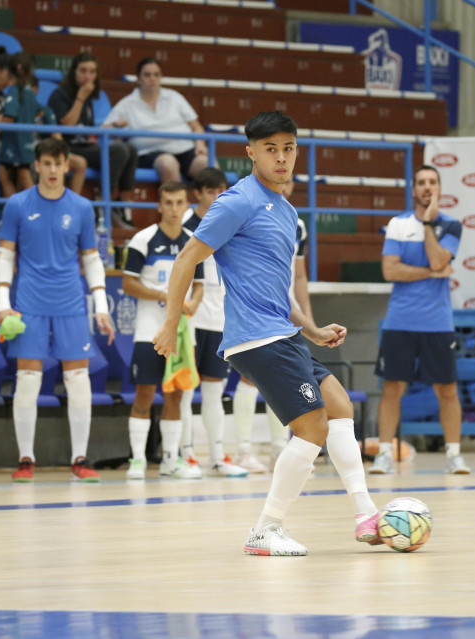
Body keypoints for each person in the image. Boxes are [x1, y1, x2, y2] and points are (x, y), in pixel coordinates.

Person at [153, 111, 381, 555]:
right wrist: (171, 322)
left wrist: (311, 331)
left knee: (338, 406)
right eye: (271, 149)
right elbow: (186, 261)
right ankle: (265, 529)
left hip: (282, 332)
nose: (281, 158)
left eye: (289, 148)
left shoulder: (287, 209)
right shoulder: (235, 202)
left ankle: (365, 513)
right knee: (312, 426)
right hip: (255, 337)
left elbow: (278, 289)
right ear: (251, 153)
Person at [0, 137, 115, 482]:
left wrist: (101, 306)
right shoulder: (17, 204)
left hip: (71, 303)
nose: (51, 170)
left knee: (78, 382)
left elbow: (91, 259)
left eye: (57, 163)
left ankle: (80, 458)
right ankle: (26, 460)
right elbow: (5, 256)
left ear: (66, 166)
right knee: (28, 381)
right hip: (29, 303)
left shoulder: (81, 207)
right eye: (45, 163)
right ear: (36, 165)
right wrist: (4, 305)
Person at [369, 164, 469, 475]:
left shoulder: (452, 226)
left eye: (432, 183)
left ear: (439, 189)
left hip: (438, 323)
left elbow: (442, 258)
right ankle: (385, 453)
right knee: (392, 388)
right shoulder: (397, 224)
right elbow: (390, 271)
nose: (427, 187)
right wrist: (431, 273)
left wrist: (427, 225)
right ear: (414, 190)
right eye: (422, 183)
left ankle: (453, 455)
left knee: (447, 390)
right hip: (400, 321)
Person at [123, 181, 204, 480]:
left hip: (184, 336)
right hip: (149, 331)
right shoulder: (142, 240)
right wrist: (164, 296)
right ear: (159, 206)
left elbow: (199, 286)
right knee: (144, 394)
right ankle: (138, 461)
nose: (173, 209)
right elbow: (128, 282)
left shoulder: (195, 241)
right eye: (168, 203)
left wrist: (193, 303)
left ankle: (171, 460)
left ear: (186, 206)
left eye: (179, 203)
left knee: (177, 396)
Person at [231, 179, 310, 473]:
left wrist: (308, 317)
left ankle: (281, 450)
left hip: (286, 310)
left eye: (290, 181)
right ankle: (243, 450)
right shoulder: (247, 209)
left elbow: (299, 276)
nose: (284, 184)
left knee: (286, 379)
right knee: (251, 379)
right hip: (254, 310)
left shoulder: (296, 222)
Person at [176, 168, 247, 478]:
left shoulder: (231, 222)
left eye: (221, 189)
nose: (216, 196)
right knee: (185, 389)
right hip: (191, 320)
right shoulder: (183, 226)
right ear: (198, 193)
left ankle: (218, 455)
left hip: (220, 318)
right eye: (209, 191)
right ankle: (186, 454)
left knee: (214, 391)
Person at [48, 52, 138, 226]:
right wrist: (80, 97)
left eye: (92, 72)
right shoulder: (60, 94)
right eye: (83, 70)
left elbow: (84, 129)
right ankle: (104, 199)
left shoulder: (89, 98)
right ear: (74, 71)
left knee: (131, 149)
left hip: (85, 145)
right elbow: (67, 125)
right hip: (68, 147)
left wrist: (108, 128)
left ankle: (122, 201)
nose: (87, 76)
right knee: (119, 151)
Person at [103, 57, 209, 185]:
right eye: (147, 75)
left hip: (184, 149)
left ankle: (216, 205)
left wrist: (200, 145)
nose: (152, 78)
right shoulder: (126, 104)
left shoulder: (175, 97)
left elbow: (196, 126)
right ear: (138, 79)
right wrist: (115, 125)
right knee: (168, 163)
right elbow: (103, 130)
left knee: (207, 164)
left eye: (156, 74)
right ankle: (177, 205)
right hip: (149, 153)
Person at [0, 52, 87, 197]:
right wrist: (55, 133)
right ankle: (23, 214)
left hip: (16, 145)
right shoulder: (28, 93)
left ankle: (27, 213)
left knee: (14, 176)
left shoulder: (16, 91)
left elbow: (9, 116)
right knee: (16, 176)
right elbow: (46, 112)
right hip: (25, 144)